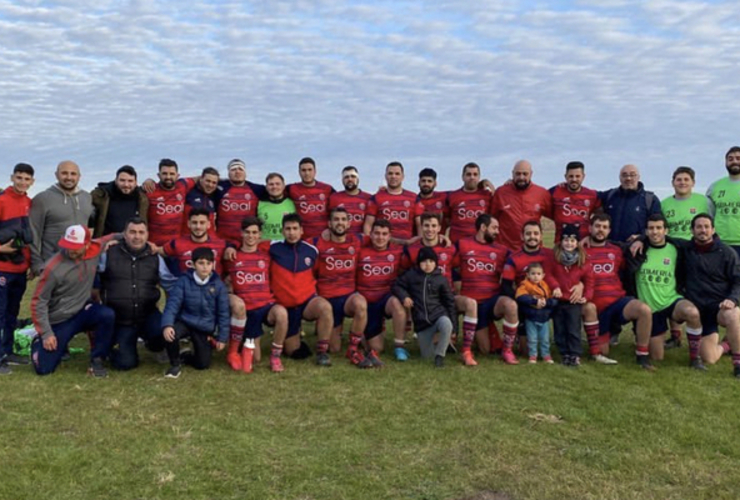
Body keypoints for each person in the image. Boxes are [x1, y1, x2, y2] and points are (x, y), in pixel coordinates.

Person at [30, 225, 116, 377]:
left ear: (87, 244)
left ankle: (97, 359)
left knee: (107, 315)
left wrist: (143, 242)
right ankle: (37, 344)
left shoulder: (95, 248)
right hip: (60, 319)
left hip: (83, 310)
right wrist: (46, 333)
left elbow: (115, 236)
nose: (71, 251)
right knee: (44, 369)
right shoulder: (52, 268)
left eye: (76, 247)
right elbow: (39, 301)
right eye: (68, 246)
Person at [624, 214, 704, 367]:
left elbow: (701, 242)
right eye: (651, 228)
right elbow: (612, 245)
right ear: (646, 231)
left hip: (671, 300)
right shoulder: (637, 249)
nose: (655, 232)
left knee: (692, 313)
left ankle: (695, 359)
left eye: (659, 228)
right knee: (657, 357)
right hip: (649, 309)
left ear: (666, 230)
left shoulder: (677, 247)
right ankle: (646, 337)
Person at [402, 212, 479, 366]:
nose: (429, 229)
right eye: (426, 226)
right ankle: (439, 339)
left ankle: (466, 350)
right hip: (426, 302)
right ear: (421, 227)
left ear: (439, 228)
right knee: (428, 355)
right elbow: (406, 276)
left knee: (471, 303)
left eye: (433, 226)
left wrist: (457, 291)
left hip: (448, 297)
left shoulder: (449, 248)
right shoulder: (412, 250)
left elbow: (457, 271)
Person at [98, 217, 175, 371]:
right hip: (121, 319)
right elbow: (93, 275)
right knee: (125, 364)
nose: (137, 237)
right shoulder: (109, 253)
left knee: (164, 329)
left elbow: (170, 284)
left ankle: (155, 346)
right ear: (124, 234)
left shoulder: (155, 257)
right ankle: (113, 346)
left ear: (147, 235)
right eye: (132, 232)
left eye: (141, 232)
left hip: (148, 314)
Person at [671, 214, 740, 377]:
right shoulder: (685, 249)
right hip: (697, 311)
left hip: (719, 308)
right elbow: (661, 237)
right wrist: (640, 239)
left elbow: (738, 281)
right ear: (692, 230)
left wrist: (732, 299)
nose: (703, 230)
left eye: (706, 226)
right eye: (699, 227)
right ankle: (726, 345)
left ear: (713, 229)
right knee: (709, 358)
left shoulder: (727, 252)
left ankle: (738, 364)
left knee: (734, 314)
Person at [584, 213, 654, 370]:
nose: (600, 230)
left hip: (617, 302)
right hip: (595, 309)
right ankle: (602, 337)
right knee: (603, 352)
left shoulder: (616, 251)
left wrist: (641, 239)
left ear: (609, 231)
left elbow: (631, 263)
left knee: (644, 310)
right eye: (597, 226)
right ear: (590, 228)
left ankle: (642, 356)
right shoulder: (580, 251)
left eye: (604, 227)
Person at [224, 216, 288, 373]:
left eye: (254, 233)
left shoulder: (266, 254)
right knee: (255, 359)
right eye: (247, 232)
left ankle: (275, 356)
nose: (251, 236)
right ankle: (236, 345)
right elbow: (224, 277)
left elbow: (281, 241)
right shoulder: (231, 256)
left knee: (282, 313)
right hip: (247, 310)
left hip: (266, 306)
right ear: (241, 233)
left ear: (260, 235)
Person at [313, 208, 375, 367]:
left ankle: (353, 348)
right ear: (329, 224)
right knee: (333, 348)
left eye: (343, 219)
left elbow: (383, 238)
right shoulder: (316, 243)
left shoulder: (358, 240)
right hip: (326, 299)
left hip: (347, 297)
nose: (339, 223)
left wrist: (410, 241)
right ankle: (325, 345)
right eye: (336, 219)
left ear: (348, 223)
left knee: (361, 303)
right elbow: (293, 241)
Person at [269, 213, 334, 366]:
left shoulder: (312, 250)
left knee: (325, 307)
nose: (291, 232)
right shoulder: (272, 248)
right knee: (293, 352)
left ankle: (322, 352)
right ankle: (295, 336)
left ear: (301, 230)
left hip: (307, 302)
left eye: (295, 228)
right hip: (285, 306)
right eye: (288, 229)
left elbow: (317, 273)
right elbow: (250, 243)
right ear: (282, 231)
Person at [456, 214, 520, 364]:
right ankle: (467, 350)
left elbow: (520, 262)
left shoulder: (502, 250)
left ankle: (507, 350)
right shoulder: (462, 244)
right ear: (483, 227)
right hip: (471, 302)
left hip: (491, 301)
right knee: (485, 350)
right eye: (494, 228)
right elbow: (447, 262)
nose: (498, 232)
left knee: (510, 305)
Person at [161, 247, 230, 379]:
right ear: (193, 264)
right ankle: (175, 364)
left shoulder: (218, 285)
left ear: (213, 265)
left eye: (208, 263)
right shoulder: (183, 281)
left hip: (204, 326)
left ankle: (187, 356)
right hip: (186, 321)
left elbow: (223, 313)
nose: (205, 267)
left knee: (202, 364)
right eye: (201, 263)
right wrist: (167, 324)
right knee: (171, 334)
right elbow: (172, 304)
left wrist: (222, 337)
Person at [549, 224, 602, 367]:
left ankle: (575, 354)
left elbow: (589, 280)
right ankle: (564, 353)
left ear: (577, 243)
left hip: (573, 301)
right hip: (559, 300)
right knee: (559, 329)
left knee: (573, 329)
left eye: (572, 241)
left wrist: (587, 296)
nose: (569, 243)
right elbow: (548, 274)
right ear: (561, 241)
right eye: (566, 240)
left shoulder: (582, 261)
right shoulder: (554, 258)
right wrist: (555, 287)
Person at [393, 247, 456, 367]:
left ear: (436, 263)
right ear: (419, 263)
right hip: (422, 325)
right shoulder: (411, 275)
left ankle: (440, 356)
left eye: (431, 261)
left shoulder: (441, 279)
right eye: (424, 261)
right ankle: (442, 343)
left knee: (446, 323)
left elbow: (450, 303)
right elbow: (397, 286)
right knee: (427, 356)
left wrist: (455, 329)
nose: (428, 265)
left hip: (438, 316)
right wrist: (404, 297)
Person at [29, 160, 94, 275]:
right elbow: (33, 233)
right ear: (56, 175)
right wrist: (36, 264)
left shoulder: (87, 198)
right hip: (53, 266)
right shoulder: (43, 199)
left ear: (79, 176)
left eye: (73, 174)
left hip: (80, 265)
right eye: (64, 173)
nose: (69, 177)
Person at [0, 163, 35, 373]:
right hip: (2, 268)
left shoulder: (30, 203)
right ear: (12, 177)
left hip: (20, 269)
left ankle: (7, 350)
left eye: (26, 179)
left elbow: (28, 239)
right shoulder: (2, 200)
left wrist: (30, 264)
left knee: (13, 311)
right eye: (19, 178)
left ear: (32, 182)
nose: (22, 182)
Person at [356, 219, 407, 356]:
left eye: (384, 234)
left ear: (390, 236)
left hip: (385, 300)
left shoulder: (397, 252)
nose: (380, 237)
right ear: (370, 235)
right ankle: (361, 334)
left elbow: (419, 247)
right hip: (366, 303)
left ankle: (399, 346)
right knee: (377, 348)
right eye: (377, 233)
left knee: (397, 304)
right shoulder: (360, 252)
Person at [490, 160, 551, 250]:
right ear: (512, 174)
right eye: (518, 174)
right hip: (506, 251)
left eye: (525, 174)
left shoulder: (541, 193)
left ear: (531, 174)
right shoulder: (501, 192)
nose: (521, 177)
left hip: (532, 250)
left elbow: (557, 215)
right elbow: (491, 218)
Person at [363, 161, 424, 244]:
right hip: (383, 246)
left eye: (397, 174)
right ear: (386, 176)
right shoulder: (376, 198)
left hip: (407, 246)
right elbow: (368, 226)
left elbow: (420, 225)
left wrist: (419, 243)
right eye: (390, 173)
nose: (393, 176)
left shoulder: (413, 198)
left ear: (403, 177)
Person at [161, 208, 233, 277]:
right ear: (188, 224)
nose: (198, 226)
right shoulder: (177, 243)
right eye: (194, 223)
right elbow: (158, 251)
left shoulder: (222, 245)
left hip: (213, 288)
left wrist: (231, 248)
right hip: (187, 288)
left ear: (208, 224)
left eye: (202, 223)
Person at [598, 164, 661, 243]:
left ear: (638, 177)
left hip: (636, 248)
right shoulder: (609, 196)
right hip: (610, 247)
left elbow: (658, 226)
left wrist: (642, 237)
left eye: (632, 175)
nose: (628, 178)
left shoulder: (650, 199)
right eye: (624, 175)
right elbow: (590, 196)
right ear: (619, 178)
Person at [215, 159, 268, 246]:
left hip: (247, 241)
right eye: (233, 169)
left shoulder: (256, 189)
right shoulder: (219, 188)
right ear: (228, 173)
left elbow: (277, 192)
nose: (237, 172)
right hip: (224, 241)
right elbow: (205, 181)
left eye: (240, 169)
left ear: (245, 173)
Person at [144, 159, 192, 246]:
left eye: (172, 174)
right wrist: (148, 180)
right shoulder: (150, 190)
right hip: (154, 246)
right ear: (158, 175)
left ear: (177, 175)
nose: (168, 177)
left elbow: (202, 178)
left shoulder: (182, 185)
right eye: (164, 173)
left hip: (175, 246)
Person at [516, 263, 558, 364]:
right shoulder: (525, 284)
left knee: (545, 339)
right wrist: (534, 301)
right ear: (527, 275)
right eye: (533, 273)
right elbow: (520, 297)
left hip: (544, 317)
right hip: (531, 317)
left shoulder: (545, 285)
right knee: (532, 338)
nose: (536, 276)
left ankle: (546, 355)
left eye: (538, 274)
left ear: (543, 275)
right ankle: (533, 355)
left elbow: (553, 299)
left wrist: (546, 303)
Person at [90, 165, 149, 237]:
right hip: (105, 242)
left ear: (135, 182)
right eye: (122, 180)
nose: (126, 184)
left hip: (131, 242)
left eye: (130, 181)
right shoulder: (100, 195)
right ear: (116, 180)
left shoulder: (142, 198)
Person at [549, 161, 600, 242]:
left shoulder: (592, 195)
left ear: (583, 176)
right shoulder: (555, 191)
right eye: (571, 176)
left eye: (577, 176)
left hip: (583, 243)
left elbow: (601, 214)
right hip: (561, 245)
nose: (574, 179)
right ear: (565, 177)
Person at [287, 157, 335, 240]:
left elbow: (338, 208)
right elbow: (274, 193)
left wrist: (331, 228)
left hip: (324, 237)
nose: (307, 173)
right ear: (299, 172)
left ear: (315, 171)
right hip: (302, 238)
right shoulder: (292, 189)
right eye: (303, 170)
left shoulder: (327, 189)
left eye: (310, 170)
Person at [446, 162, 494, 244]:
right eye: (468, 174)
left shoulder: (486, 195)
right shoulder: (452, 196)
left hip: (480, 244)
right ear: (462, 177)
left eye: (475, 174)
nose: (472, 177)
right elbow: (447, 219)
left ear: (479, 177)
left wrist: (490, 184)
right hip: (458, 244)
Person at [706, 146, 740, 255]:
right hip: (720, 243)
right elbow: (709, 215)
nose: (734, 161)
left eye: (738, 158)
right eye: (730, 159)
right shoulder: (714, 187)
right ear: (725, 162)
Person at [662, 166, 709, 240]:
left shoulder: (704, 201)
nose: (682, 182)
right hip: (672, 245)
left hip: (696, 246)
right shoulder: (663, 204)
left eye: (686, 179)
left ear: (693, 183)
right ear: (672, 183)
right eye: (679, 180)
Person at [328, 165, 371, 235]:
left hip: (361, 241)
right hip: (340, 240)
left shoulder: (369, 198)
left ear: (358, 179)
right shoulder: (334, 198)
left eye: (353, 176)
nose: (350, 179)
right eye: (346, 177)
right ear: (342, 180)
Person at [181, 167, 220, 236]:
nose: (210, 185)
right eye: (208, 181)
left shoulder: (216, 195)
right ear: (201, 179)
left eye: (214, 183)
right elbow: (179, 183)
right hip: (187, 239)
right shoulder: (189, 191)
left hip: (208, 241)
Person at [257, 173, 296, 241]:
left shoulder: (293, 203)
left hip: (286, 246)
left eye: (278, 184)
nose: (274, 187)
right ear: (266, 187)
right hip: (265, 247)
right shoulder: (259, 204)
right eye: (271, 184)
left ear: (283, 186)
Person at [417, 167, 449, 234]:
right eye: (423, 181)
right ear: (418, 183)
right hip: (420, 241)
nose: (426, 184)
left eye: (429, 181)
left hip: (440, 242)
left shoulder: (444, 197)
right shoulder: (414, 200)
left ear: (435, 183)